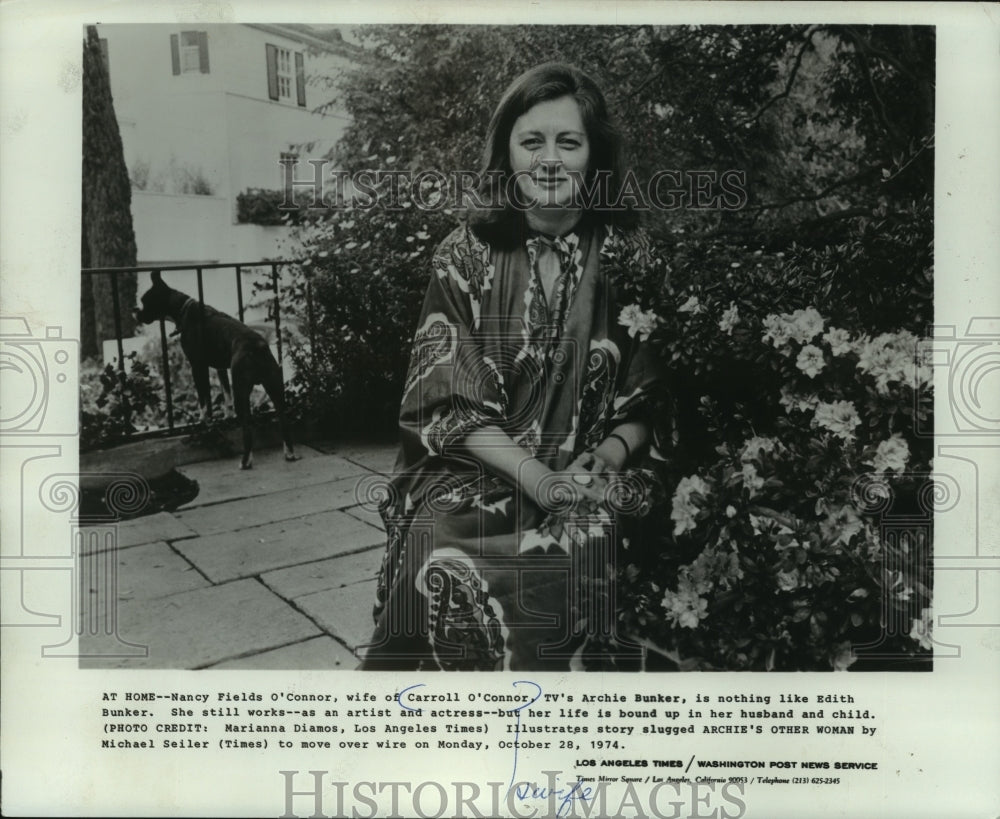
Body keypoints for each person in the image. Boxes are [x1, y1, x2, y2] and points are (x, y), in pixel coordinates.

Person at [359, 62, 664, 671]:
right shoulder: (464, 254)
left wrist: (604, 461)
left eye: (568, 142)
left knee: (597, 535)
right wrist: (540, 481)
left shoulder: (633, 256)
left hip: (593, 470)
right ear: (507, 154)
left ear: (594, 156)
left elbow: (652, 399)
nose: (549, 161)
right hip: (483, 468)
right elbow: (446, 404)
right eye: (532, 142)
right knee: (441, 541)